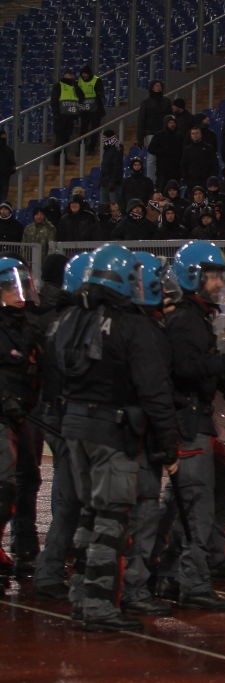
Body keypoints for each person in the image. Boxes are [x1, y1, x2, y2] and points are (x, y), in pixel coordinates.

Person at [55, 244, 180, 632]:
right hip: (112, 429)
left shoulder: (70, 317)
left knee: (89, 514)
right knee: (110, 519)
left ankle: (80, 596)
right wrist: (169, 443)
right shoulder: (131, 325)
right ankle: (98, 607)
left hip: (74, 425)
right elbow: (154, 390)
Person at [156, 240, 225, 610]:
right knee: (196, 505)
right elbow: (186, 369)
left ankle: (167, 574)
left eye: (220, 275)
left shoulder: (198, 317)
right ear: (192, 276)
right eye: (211, 275)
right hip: (190, 421)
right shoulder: (186, 319)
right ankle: (192, 583)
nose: (219, 282)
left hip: (195, 420)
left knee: (186, 503)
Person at [119, 251, 178, 617]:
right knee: (140, 512)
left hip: (111, 433)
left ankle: (101, 585)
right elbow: (157, 393)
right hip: (137, 436)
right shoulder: (145, 331)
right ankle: (133, 587)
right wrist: (168, 443)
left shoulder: (108, 322)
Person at [31, 253, 89, 601]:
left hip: (57, 412)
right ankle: (54, 568)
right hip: (68, 414)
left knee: (69, 493)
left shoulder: (55, 317)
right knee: (72, 496)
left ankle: (55, 564)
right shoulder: (72, 321)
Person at [0, 257, 42, 580]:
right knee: (5, 483)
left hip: (25, 410)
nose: (19, 292)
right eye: (11, 287)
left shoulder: (29, 321)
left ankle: (25, 545)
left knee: (28, 479)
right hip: (5, 412)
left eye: (20, 286)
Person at [50, 68, 84, 164]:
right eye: (69, 74)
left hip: (70, 117)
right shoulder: (58, 85)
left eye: (72, 75)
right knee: (60, 139)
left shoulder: (74, 86)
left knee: (66, 139)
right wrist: (56, 114)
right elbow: (54, 101)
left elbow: (81, 96)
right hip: (61, 117)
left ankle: (63, 159)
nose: (70, 76)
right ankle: (57, 160)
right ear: (64, 75)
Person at [76, 66, 105, 154]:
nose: (84, 76)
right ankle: (81, 149)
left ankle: (92, 148)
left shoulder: (97, 80)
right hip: (84, 108)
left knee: (94, 129)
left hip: (95, 108)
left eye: (85, 74)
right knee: (83, 129)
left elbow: (100, 93)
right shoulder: (80, 80)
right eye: (82, 74)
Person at [0, 130, 15, 204]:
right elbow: (13, 167)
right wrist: (8, 172)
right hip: (5, 178)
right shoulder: (10, 151)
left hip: (5, 177)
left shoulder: (9, 151)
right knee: (3, 200)